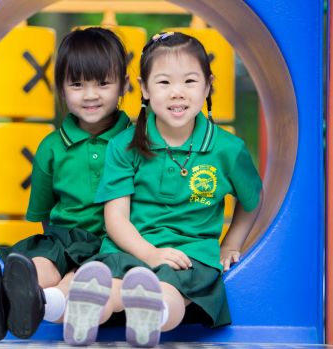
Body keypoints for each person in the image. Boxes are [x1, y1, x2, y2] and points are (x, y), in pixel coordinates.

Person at [66, 31, 264, 347]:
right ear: (144, 89)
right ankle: (86, 313)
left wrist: (230, 244)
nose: (177, 93)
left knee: (170, 292)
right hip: (131, 247)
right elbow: (115, 218)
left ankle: (150, 318)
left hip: (191, 254)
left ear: (208, 85)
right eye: (163, 83)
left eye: (189, 81)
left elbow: (252, 199)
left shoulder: (228, 149)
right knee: (109, 286)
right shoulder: (124, 146)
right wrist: (150, 253)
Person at [0, 27, 131, 343]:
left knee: (79, 279)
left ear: (124, 85)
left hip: (111, 242)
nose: (90, 94)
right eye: (77, 84)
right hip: (63, 237)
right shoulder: (52, 147)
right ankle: (1, 296)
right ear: (61, 90)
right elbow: (43, 211)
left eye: (103, 83)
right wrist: (57, 244)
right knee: (37, 266)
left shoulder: (136, 141)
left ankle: (9, 306)